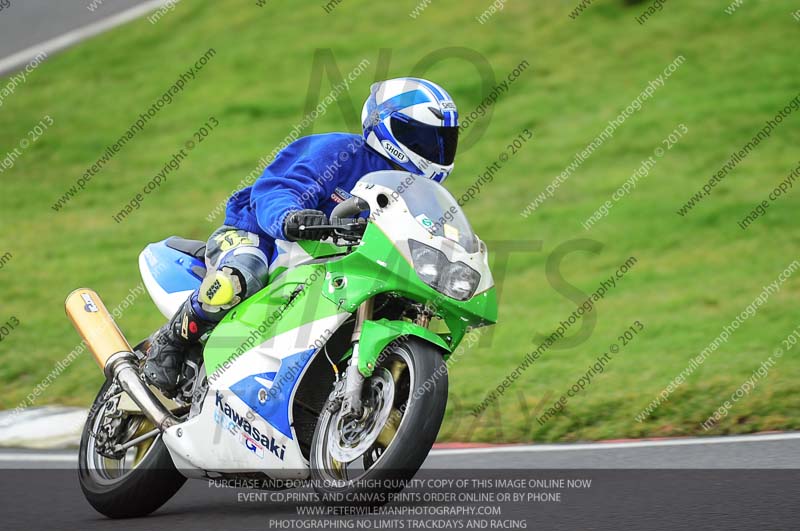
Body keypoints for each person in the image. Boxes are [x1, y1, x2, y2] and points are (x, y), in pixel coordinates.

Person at [143, 77, 461, 396]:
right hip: (259, 236)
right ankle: (170, 342)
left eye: (444, 140)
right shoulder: (341, 152)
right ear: (386, 125)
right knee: (244, 272)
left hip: (334, 271)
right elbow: (278, 188)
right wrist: (291, 217)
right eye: (424, 138)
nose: (436, 149)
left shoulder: (422, 196)